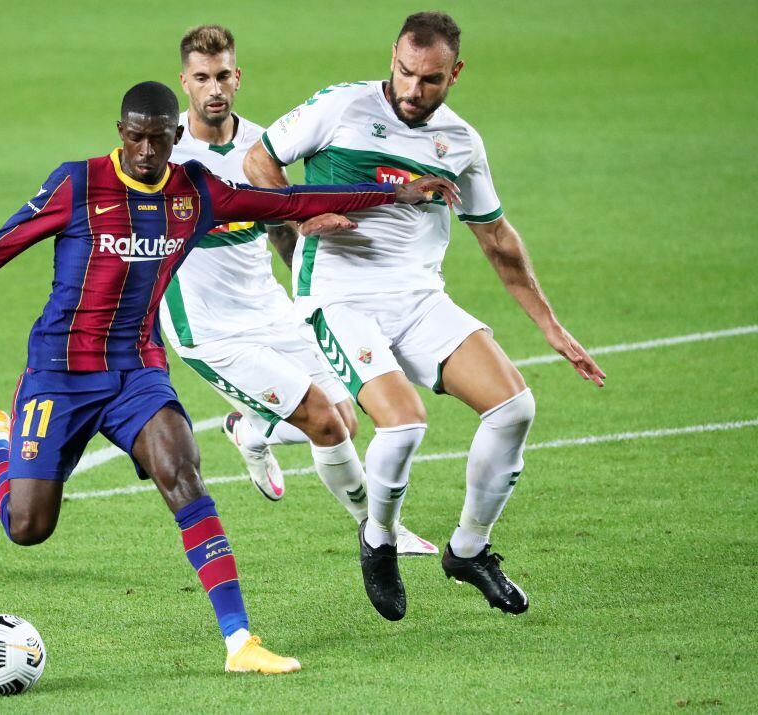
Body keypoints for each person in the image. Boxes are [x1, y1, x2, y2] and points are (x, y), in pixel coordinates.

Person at [0, 81, 458, 672]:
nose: (147, 153)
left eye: (158, 141)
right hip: (59, 374)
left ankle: (240, 642)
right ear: (121, 133)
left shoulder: (195, 192)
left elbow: (290, 201)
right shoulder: (77, 183)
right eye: (136, 139)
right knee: (28, 527)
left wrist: (397, 195)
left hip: (137, 372)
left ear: (176, 137)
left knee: (184, 474)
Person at [244, 11, 606, 620]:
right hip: (338, 296)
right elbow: (260, 160)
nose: (413, 91)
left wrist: (550, 325)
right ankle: (378, 539)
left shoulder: (460, 142)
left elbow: (497, 239)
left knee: (514, 408)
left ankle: (468, 550)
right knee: (405, 424)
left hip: (418, 300)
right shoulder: (340, 107)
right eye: (405, 73)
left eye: (430, 81)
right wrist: (301, 218)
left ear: (455, 74)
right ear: (392, 56)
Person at [160, 25, 436, 555]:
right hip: (208, 326)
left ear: (237, 78)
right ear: (185, 82)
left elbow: (283, 223)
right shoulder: (164, 149)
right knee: (324, 425)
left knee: (346, 420)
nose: (213, 88)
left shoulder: (259, 145)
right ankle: (378, 531)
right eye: (201, 78)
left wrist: (304, 299)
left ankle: (249, 430)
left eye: (222, 76)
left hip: (269, 305)